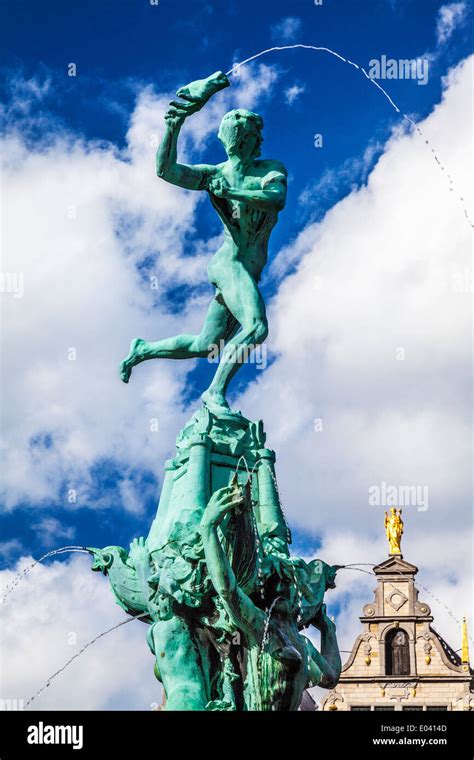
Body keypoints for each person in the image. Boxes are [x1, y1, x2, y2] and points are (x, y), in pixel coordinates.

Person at [120, 75, 287, 416]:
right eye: (229, 133)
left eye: (238, 133)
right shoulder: (215, 173)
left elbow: (276, 198)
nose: (231, 139)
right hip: (230, 264)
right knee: (256, 327)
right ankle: (214, 394)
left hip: (247, 271)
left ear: (252, 139)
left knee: (205, 344)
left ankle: (142, 349)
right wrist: (174, 125)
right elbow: (166, 171)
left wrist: (232, 192)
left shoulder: (269, 169)